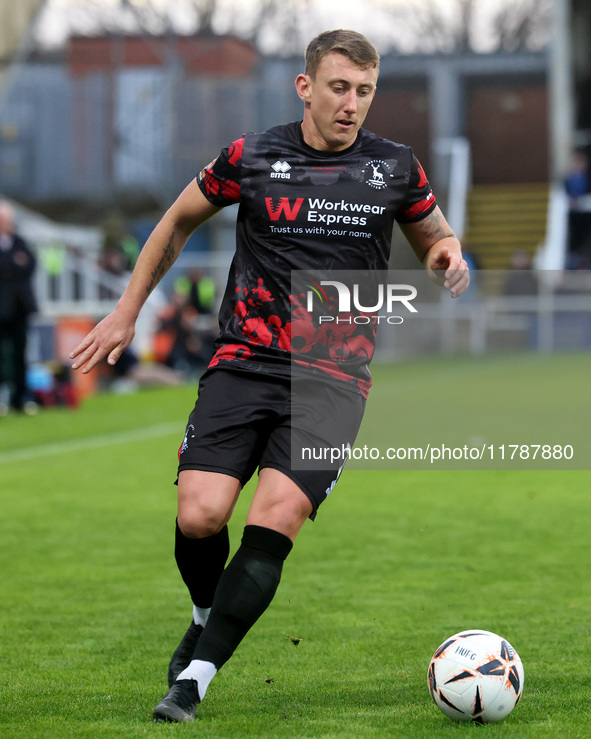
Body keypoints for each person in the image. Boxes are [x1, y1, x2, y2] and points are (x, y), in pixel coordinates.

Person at [70, 29, 470, 723]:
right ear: (305, 86)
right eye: (340, 88)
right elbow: (174, 222)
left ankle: (194, 677)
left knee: (275, 513)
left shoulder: (394, 166)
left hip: (332, 380)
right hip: (243, 362)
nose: (352, 105)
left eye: (365, 91)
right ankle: (204, 611)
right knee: (199, 516)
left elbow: (434, 233)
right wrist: (126, 312)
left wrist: (445, 256)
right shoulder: (252, 157)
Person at [0, 201, 38, 414]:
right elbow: (13, 265)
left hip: (19, 309)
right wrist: (14, 264)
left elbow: (30, 264)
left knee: (19, 356)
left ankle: (19, 400)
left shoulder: (19, 242)